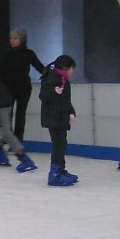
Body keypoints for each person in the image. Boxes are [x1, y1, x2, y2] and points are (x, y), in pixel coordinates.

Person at [0, 28, 45, 142]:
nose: (12, 41)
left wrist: (53, 76)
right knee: (7, 114)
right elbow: (0, 73)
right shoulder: (6, 54)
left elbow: (40, 67)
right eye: (11, 38)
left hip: (24, 89)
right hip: (8, 90)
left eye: (16, 38)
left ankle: (18, 140)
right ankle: (8, 137)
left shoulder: (28, 53)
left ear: (22, 39)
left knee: (20, 115)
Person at [39, 55, 79, 187]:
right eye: (72, 68)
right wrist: (54, 91)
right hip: (53, 117)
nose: (73, 71)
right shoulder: (53, 78)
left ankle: (60, 170)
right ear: (66, 68)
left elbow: (65, 100)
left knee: (61, 143)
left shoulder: (62, 78)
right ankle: (55, 174)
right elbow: (43, 96)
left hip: (60, 117)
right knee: (58, 145)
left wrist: (71, 111)